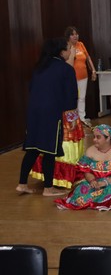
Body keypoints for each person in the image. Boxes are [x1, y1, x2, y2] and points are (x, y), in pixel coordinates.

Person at [17, 38, 79, 196]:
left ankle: (22, 184)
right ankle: (48, 188)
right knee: (49, 149)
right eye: (69, 48)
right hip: (51, 113)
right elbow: (71, 96)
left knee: (33, 148)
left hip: (34, 112)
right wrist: (72, 118)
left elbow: (31, 89)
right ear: (61, 52)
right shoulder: (66, 69)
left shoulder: (39, 67)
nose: (71, 51)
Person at [55, 125, 111, 210]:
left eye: (98, 137)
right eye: (94, 137)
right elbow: (87, 171)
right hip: (96, 181)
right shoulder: (90, 151)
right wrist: (92, 181)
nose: (94, 139)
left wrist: (106, 182)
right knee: (82, 190)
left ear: (108, 138)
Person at [65, 26, 97, 126]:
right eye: (72, 34)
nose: (75, 36)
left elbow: (88, 58)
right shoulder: (66, 46)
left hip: (83, 76)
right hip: (72, 77)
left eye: (76, 34)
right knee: (73, 97)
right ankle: (74, 119)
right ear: (68, 36)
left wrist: (93, 70)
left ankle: (82, 118)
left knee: (82, 97)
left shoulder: (81, 44)